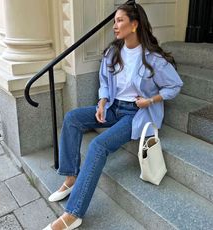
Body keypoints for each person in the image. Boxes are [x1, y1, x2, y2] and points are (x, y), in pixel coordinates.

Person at [43, 1, 183, 229]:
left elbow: (174, 86)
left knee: (98, 145)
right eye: (114, 21)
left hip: (135, 114)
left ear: (135, 24)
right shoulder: (112, 53)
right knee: (72, 118)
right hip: (113, 108)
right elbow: (105, 82)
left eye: (120, 21)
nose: (115, 26)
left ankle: (74, 214)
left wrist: (151, 100)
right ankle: (71, 177)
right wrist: (102, 101)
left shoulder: (153, 59)